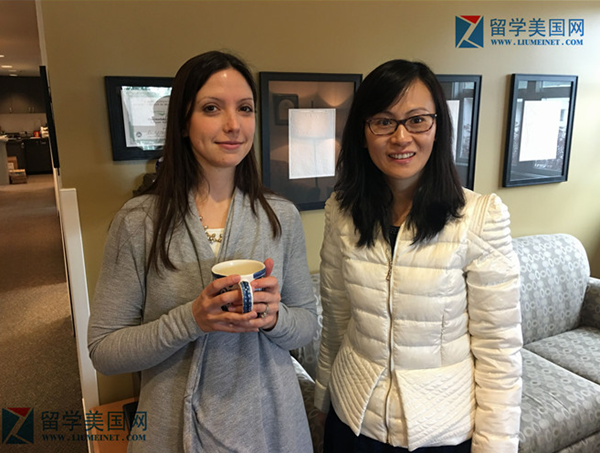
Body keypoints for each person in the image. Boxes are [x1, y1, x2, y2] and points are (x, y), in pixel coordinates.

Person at [88, 51, 318, 452]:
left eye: (245, 108)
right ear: (182, 122)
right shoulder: (138, 222)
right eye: (212, 108)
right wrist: (191, 319)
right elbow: (104, 351)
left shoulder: (280, 216)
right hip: (173, 426)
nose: (233, 125)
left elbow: (307, 325)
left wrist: (274, 317)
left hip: (272, 424)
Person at [314, 59, 522, 453]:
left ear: (437, 128)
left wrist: (495, 445)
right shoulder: (341, 212)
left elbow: (499, 349)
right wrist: (323, 397)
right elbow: (336, 318)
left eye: (417, 120)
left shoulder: (480, 217)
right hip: (353, 418)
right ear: (363, 133)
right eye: (383, 121)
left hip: (440, 431)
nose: (401, 137)